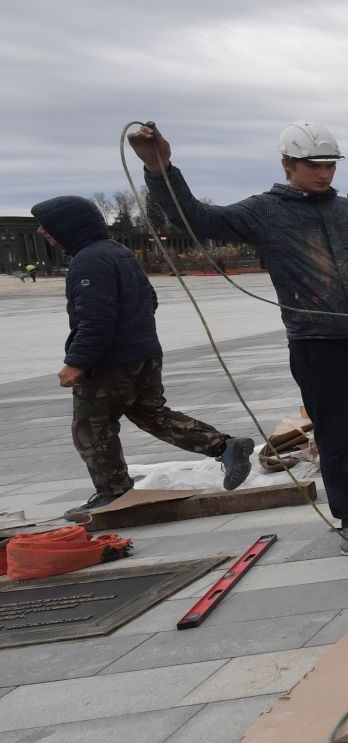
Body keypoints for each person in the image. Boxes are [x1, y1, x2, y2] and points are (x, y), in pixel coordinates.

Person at [130, 121, 348, 555]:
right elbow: (193, 218)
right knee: (335, 436)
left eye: (330, 164)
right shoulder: (262, 212)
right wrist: (160, 169)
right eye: (313, 164)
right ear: (288, 163)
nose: (324, 173)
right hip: (317, 345)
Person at [31, 196, 256, 519]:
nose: (42, 231)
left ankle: (113, 492)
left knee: (92, 427)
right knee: (152, 414)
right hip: (145, 354)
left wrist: (77, 362)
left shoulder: (89, 261)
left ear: (67, 227)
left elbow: (95, 319)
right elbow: (149, 301)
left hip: (109, 363)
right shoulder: (120, 253)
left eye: (47, 225)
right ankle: (223, 446)